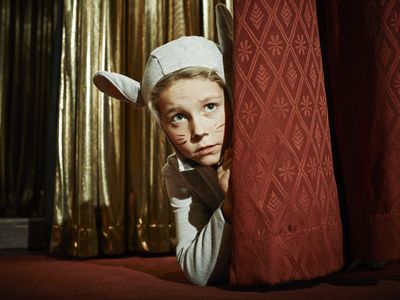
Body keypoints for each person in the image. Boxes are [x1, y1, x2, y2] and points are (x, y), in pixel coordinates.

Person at [93, 35, 233, 286]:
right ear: (163, 126)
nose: (198, 131)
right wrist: (230, 207)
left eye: (210, 106)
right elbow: (197, 272)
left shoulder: (264, 146)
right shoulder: (176, 173)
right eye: (178, 116)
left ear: (231, 101)